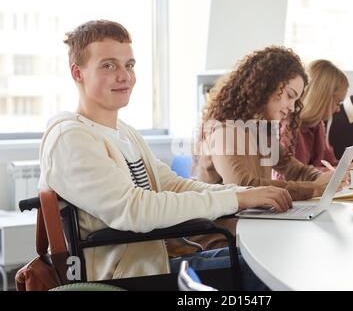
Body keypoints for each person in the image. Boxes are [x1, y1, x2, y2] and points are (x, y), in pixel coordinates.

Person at [38, 20, 292, 290]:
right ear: (77, 73)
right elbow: (135, 210)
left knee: (274, 260)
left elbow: (174, 185)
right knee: (269, 276)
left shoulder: (124, 132)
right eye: (109, 65)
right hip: (129, 278)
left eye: (129, 65)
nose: (124, 76)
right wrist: (235, 198)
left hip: (159, 263)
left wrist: (244, 195)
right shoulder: (70, 138)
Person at [196, 46, 342, 201]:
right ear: (265, 86)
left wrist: (327, 179)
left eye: (295, 100)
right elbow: (244, 186)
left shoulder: (259, 129)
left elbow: (294, 169)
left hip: (253, 219)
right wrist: (314, 189)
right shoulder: (223, 129)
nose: (292, 107)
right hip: (229, 223)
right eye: (289, 95)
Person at [276, 59, 353, 176]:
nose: (339, 109)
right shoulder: (288, 126)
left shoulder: (318, 125)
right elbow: (287, 176)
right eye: (338, 102)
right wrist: (345, 170)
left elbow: (330, 164)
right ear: (322, 98)